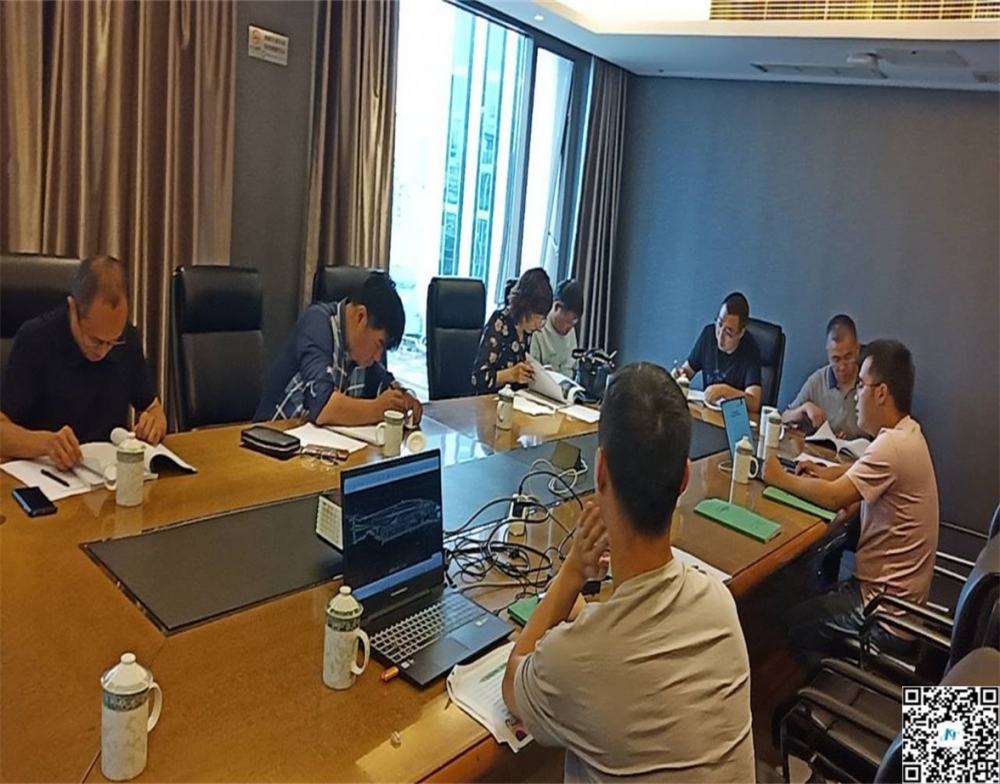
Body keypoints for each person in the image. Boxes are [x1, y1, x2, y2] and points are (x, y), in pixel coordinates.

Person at [502, 363, 755, 783]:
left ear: (600, 470)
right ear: (684, 479)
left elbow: (513, 683)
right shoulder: (719, 603)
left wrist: (571, 574)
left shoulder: (578, 660)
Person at [762, 340, 939, 669]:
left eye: (861, 386)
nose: (856, 395)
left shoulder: (892, 446)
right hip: (900, 603)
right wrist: (823, 471)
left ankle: (832, 686)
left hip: (885, 615)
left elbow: (835, 497)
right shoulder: (907, 433)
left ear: (881, 393)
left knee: (794, 623)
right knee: (805, 590)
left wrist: (777, 477)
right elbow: (858, 473)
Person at [0, 255, 166, 471]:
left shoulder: (128, 340)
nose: (104, 350)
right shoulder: (35, 341)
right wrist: (45, 444)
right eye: (95, 341)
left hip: (107, 475)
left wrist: (153, 424)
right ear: (73, 309)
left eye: (113, 341)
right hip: (48, 475)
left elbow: (153, 408)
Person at [255, 271, 422, 426]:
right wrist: (377, 410)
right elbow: (322, 406)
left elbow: (385, 384)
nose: (378, 357)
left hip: (315, 444)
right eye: (378, 344)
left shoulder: (360, 354)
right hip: (270, 437)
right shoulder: (318, 324)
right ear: (360, 317)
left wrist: (405, 397)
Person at [672, 292, 763, 413]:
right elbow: (687, 371)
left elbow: (754, 402)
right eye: (719, 325)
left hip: (733, 417)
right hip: (707, 412)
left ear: (741, 333)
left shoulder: (751, 350)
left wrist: (725, 391)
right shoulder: (708, 335)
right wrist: (679, 375)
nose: (720, 336)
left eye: (728, 333)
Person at [471, 268, 553, 394]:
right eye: (536, 317)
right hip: (489, 401)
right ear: (524, 307)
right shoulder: (499, 322)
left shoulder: (527, 331)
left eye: (542, 319)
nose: (538, 325)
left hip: (516, 400)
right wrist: (511, 374)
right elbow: (478, 378)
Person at [783, 314, 864, 439]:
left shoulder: (868, 384)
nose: (842, 367)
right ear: (828, 354)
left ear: (857, 349)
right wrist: (804, 408)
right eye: (836, 359)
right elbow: (784, 417)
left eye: (848, 357)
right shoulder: (818, 381)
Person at [528, 278, 582, 379]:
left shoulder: (570, 332)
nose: (569, 328)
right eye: (567, 322)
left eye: (572, 324)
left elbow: (571, 367)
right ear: (557, 307)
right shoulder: (538, 327)